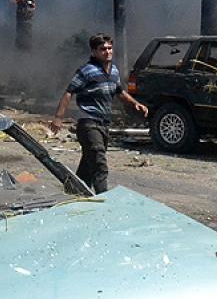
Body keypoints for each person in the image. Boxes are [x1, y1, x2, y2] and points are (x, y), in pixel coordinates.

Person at [50, 33, 149, 194]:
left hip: (104, 124)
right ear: (94, 51)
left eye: (110, 48)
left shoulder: (114, 71)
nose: (107, 52)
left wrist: (135, 104)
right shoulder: (87, 71)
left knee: (88, 165)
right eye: (103, 49)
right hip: (88, 123)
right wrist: (58, 118)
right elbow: (69, 92)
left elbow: (119, 91)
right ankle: (104, 200)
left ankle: (73, 195)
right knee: (99, 165)